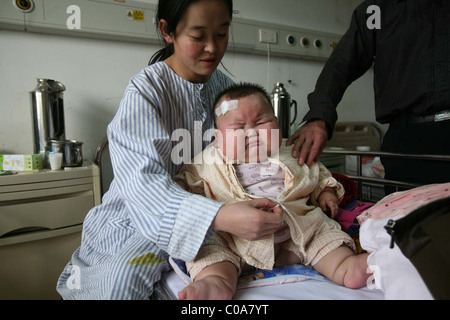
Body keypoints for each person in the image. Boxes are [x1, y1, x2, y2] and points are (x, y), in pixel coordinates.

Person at [56, 0, 284, 300]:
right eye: (198, 36)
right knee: (120, 284)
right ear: (167, 31)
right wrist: (220, 216)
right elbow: (142, 185)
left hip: (217, 212)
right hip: (140, 219)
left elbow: (247, 154)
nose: (213, 49)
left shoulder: (225, 91)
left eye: (222, 34)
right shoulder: (146, 91)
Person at [175, 83, 370, 300]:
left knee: (326, 234)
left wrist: (326, 192)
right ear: (218, 138)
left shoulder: (293, 150)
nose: (251, 133)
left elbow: (318, 172)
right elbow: (185, 184)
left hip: (298, 230)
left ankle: (346, 267)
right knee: (210, 248)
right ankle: (215, 282)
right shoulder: (208, 161)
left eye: (261, 122)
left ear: (277, 124)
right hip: (235, 240)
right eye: (237, 128)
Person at [287, 0, 450, 186]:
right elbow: (341, 64)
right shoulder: (378, 10)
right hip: (409, 142)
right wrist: (319, 117)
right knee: (406, 212)